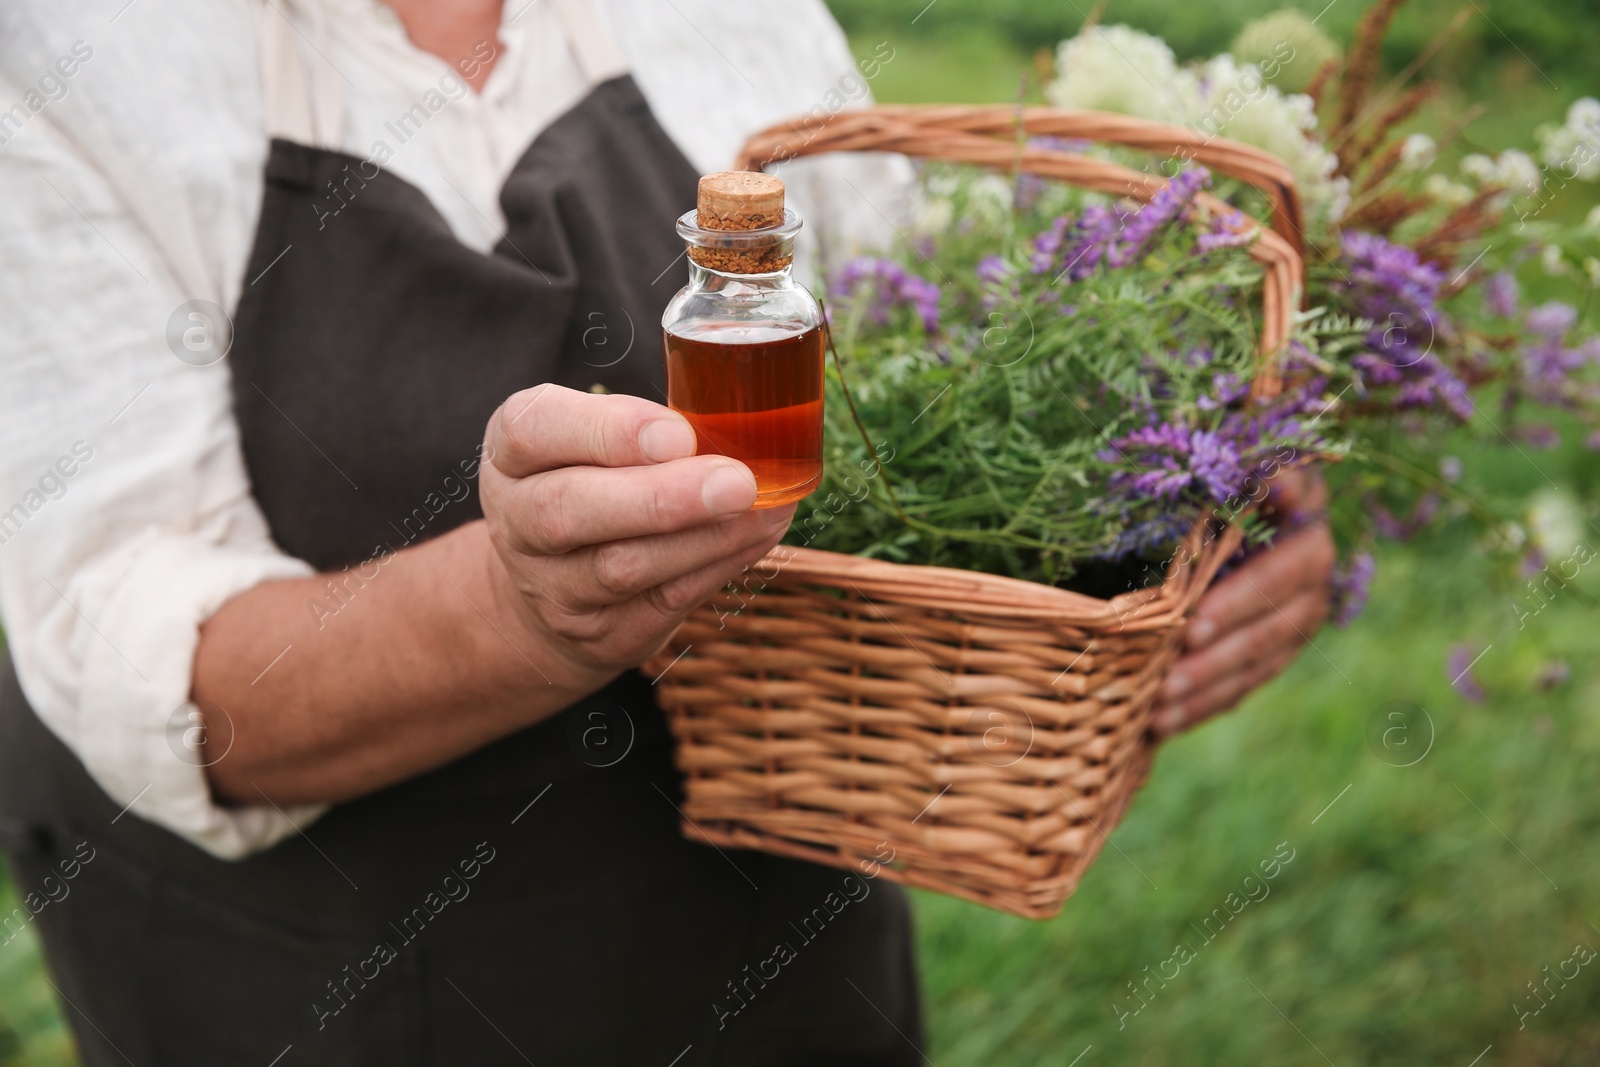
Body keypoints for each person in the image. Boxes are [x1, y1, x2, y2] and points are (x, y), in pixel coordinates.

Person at [0, 0, 1332, 1062]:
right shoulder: (72, 52)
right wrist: (518, 612)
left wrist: (1194, 523)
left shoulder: (727, 17)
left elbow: (933, 360)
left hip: (772, 964)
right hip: (327, 988)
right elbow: (140, 647)